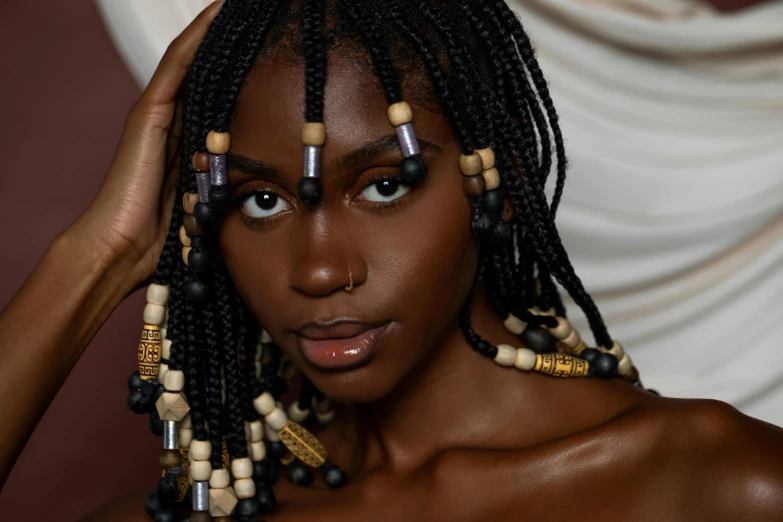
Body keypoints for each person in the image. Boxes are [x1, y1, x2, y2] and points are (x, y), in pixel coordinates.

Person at [1, 1, 781, 520]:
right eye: (260, 201)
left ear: (498, 172)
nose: (317, 271)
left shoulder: (718, 485)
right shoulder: (212, 509)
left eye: (381, 186)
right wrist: (97, 256)